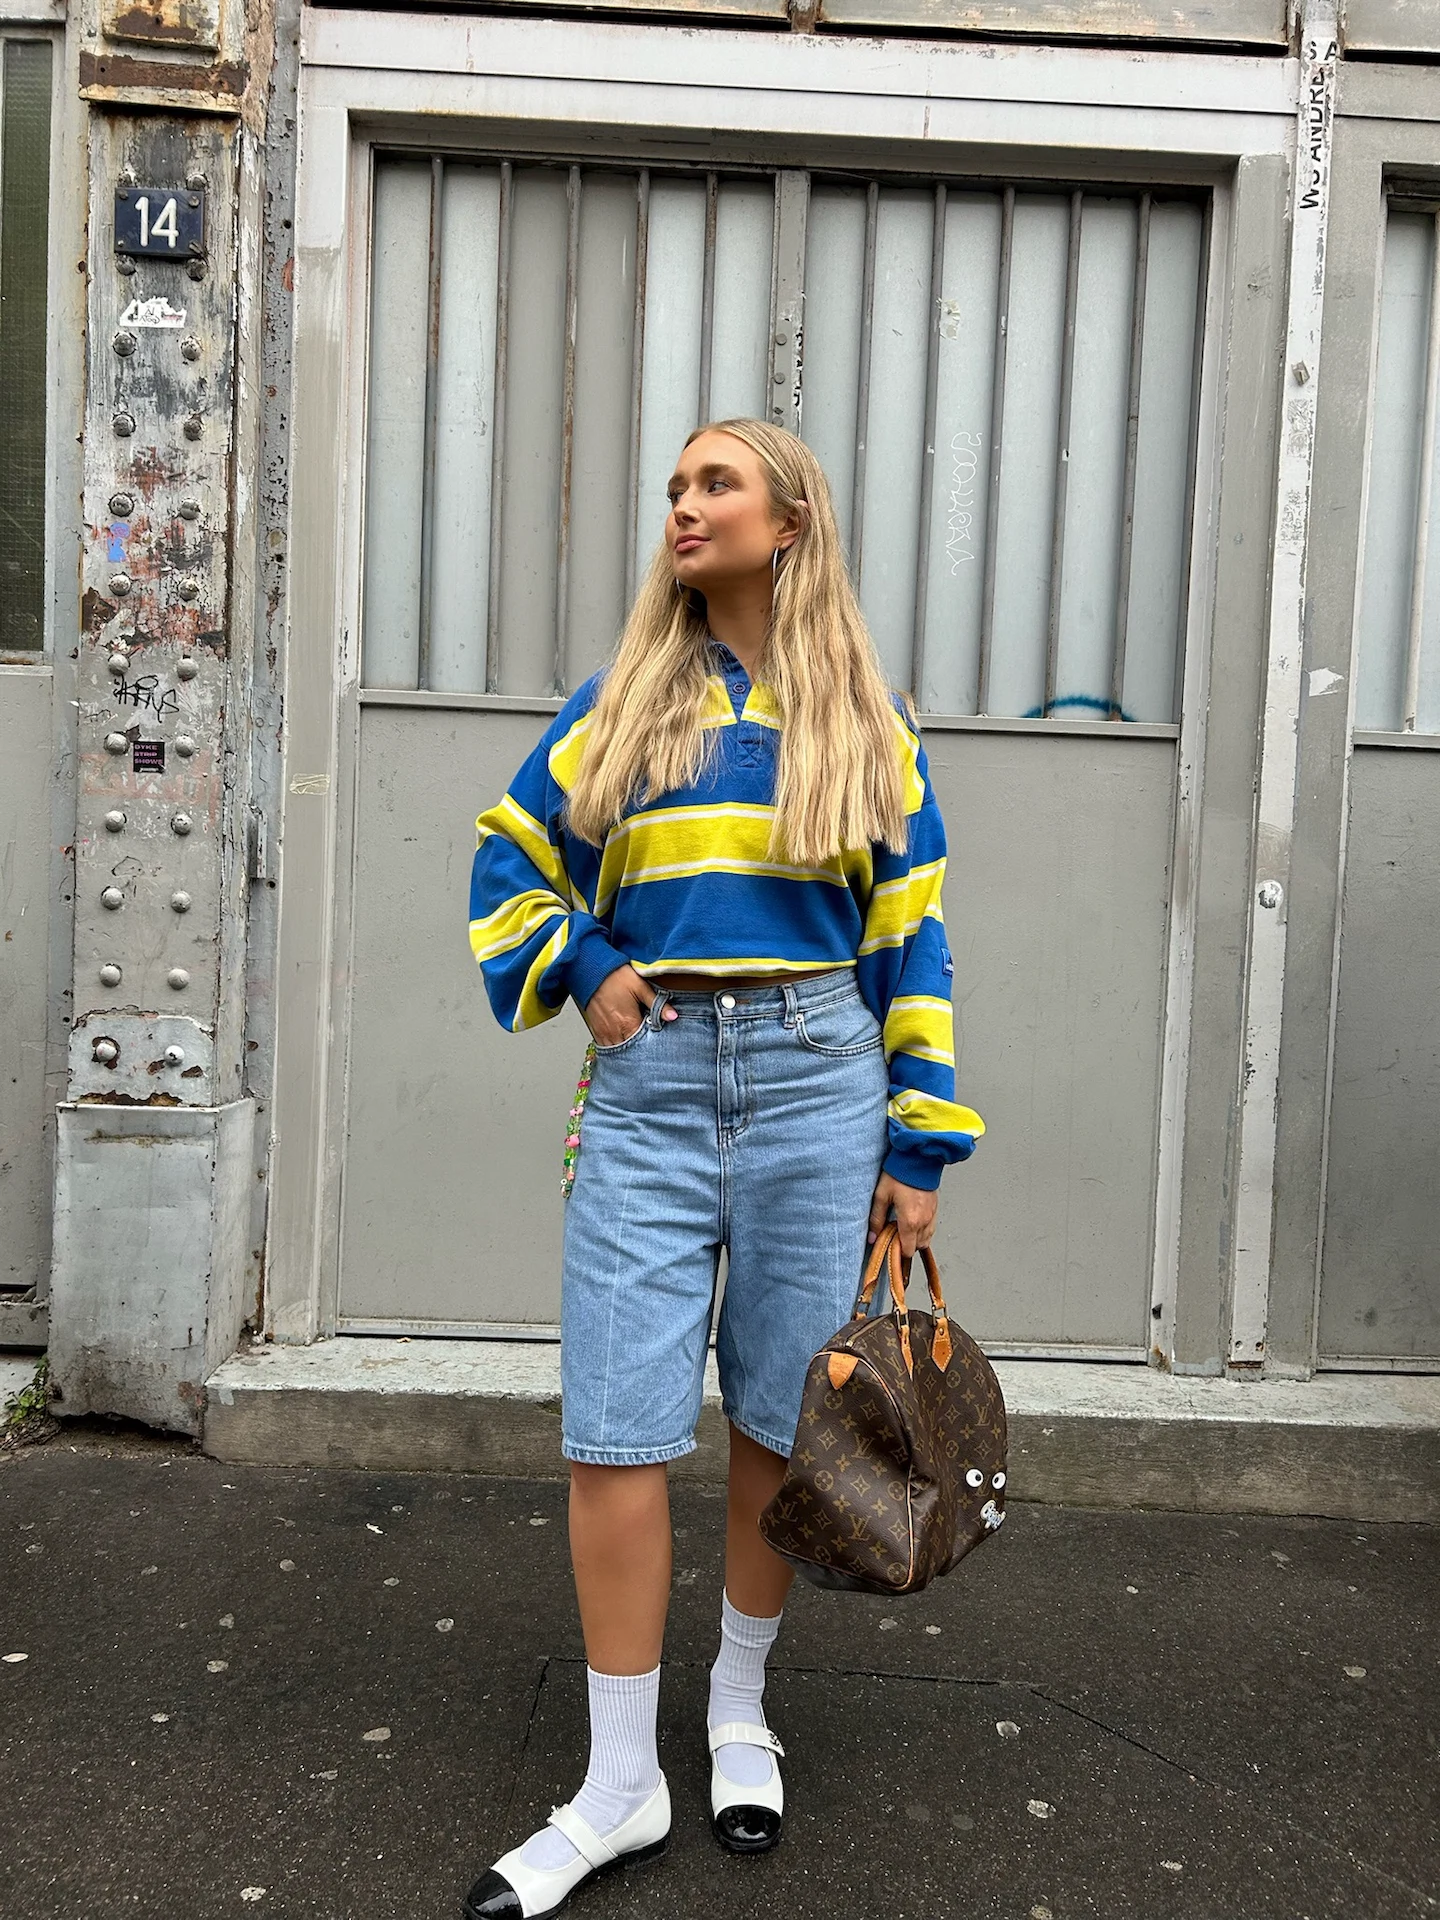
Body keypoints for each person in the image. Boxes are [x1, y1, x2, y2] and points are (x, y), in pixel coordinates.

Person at [461, 418, 983, 1920]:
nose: (684, 507)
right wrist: (585, 967)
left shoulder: (866, 718)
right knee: (616, 1432)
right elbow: (509, 855)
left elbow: (913, 932)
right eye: (677, 488)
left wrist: (920, 1139)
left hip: (824, 1083)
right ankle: (618, 1781)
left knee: (779, 1419)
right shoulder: (623, 703)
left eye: (717, 485)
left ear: (789, 521)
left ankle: (737, 1709)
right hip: (652, 1088)